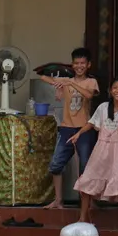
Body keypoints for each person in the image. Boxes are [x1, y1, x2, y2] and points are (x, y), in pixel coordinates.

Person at [69, 77, 118, 230]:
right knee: (88, 180)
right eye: (115, 87)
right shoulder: (103, 107)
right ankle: (82, 218)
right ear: (110, 90)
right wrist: (79, 133)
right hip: (101, 149)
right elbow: (92, 123)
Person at [41, 48, 99, 209]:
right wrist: (61, 78)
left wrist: (71, 82)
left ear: (89, 65)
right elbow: (43, 77)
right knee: (56, 165)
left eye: (83, 63)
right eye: (76, 63)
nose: (79, 66)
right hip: (66, 128)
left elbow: (88, 95)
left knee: (85, 167)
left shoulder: (91, 82)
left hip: (84, 129)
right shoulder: (67, 80)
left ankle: (88, 202)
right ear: (72, 64)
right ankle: (58, 200)